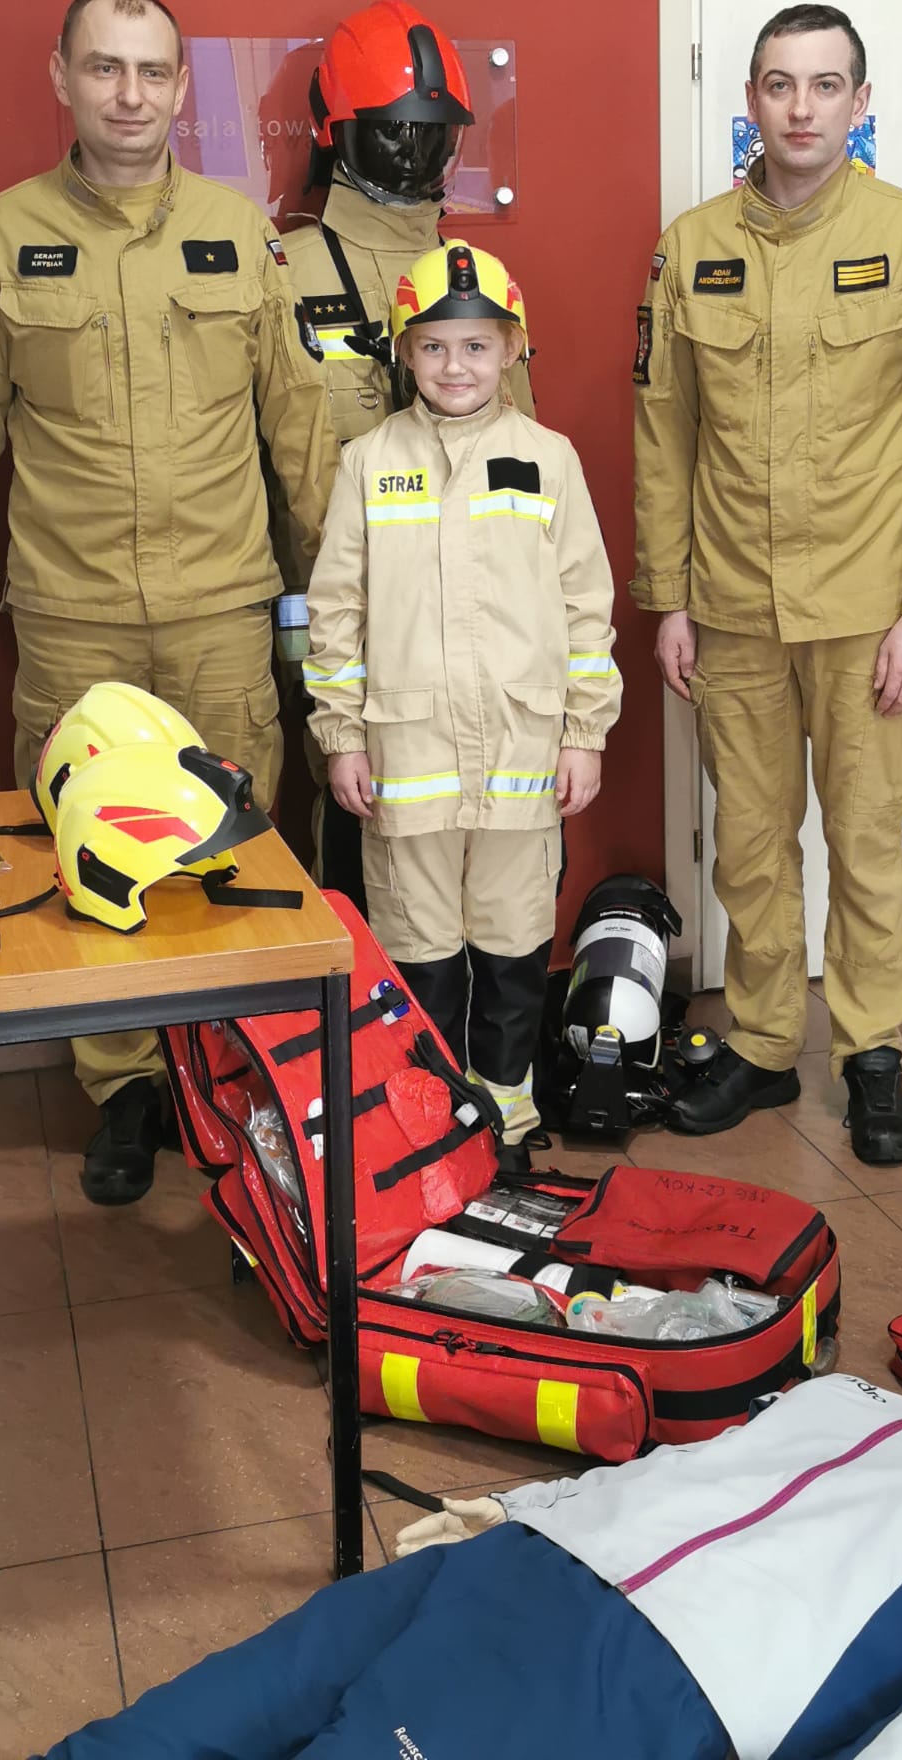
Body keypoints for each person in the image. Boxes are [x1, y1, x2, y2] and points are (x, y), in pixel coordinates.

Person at [0, 0, 336, 1206]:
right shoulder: (5, 233)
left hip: (221, 606)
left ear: (181, 87)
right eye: (104, 67)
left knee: (238, 839)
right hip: (72, 610)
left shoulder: (238, 230)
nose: (129, 94)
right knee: (84, 844)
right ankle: (125, 1086)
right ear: (62, 78)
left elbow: (299, 424)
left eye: (152, 71)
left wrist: (337, 589)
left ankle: (237, 1066)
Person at [33, 1345, 902, 1759]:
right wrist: (509, 1502)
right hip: (514, 1559)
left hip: (641, 1673)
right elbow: (676, 1473)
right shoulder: (859, 1393)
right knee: (178, 1724)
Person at [632, 3, 902, 1165]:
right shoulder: (688, 249)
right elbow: (663, 436)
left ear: (859, 102)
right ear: (749, 100)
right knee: (747, 845)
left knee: (866, 840)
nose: (800, 108)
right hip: (732, 606)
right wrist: (670, 596)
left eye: (824, 85)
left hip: (865, 613)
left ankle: (872, 1052)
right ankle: (762, 1043)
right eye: (779, 84)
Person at [304, 240, 619, 1160]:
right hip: (406, 760)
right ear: (404, 352)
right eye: (434, 346)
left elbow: (586, 607)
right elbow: (336, 611)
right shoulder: (368, 462)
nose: (456, 366)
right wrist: (341, 737)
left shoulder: (549, 459)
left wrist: (584, 733)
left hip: (524, 755)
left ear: (512, 348)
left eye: (477, 345)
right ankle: (437, 1117)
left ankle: (508, 1109)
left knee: (515, 941)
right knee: (419, 947)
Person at [272, 0, 534, 909]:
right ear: (334, 130)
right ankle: (367, 999)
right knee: (356, 822)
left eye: (435, 131)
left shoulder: (474, 281)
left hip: (477, 620)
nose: (416, 152)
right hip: (345, 611)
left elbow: (523, 463)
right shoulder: (282, 274)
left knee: (487, 833)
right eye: (390, 128)